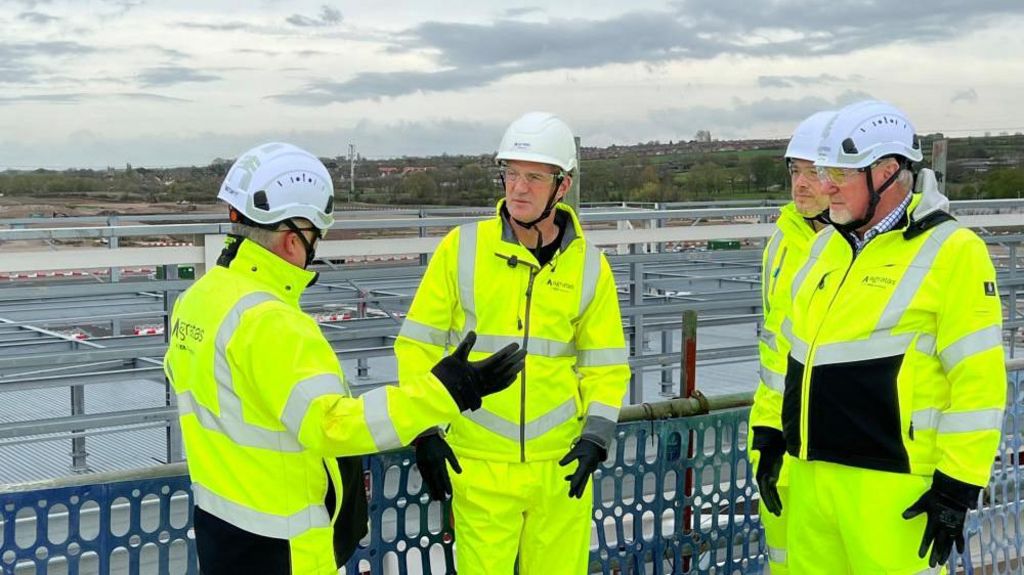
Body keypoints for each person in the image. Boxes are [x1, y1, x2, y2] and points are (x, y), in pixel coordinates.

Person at [162, 142, 526, 575]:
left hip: (221, 526)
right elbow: (334, 426)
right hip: (284, 544)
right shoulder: (271, 322)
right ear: (292, 238)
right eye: (316, 236)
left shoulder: (198, 300)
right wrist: (445, 392)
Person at [767, 101, 1005, 573]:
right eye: (821, 170)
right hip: (813, 478)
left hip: (894, 488)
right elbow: (789, 354)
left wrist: (957, 484)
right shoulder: (824, 248)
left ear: (888, 172)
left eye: (840, 172)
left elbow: (978, 381)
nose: (825, 185)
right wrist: (772, 433)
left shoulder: (952, 251)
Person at [394, 112, 631, 573]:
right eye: (511, 174)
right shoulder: (461, 249)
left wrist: (596, 440)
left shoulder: (589, 267)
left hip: (561, 468)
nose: (518, 188)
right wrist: (423, 430)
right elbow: (416, 348)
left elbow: (605, 366)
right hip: (479, 467)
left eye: (533, 177)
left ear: (562, 186)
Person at [749, 109, 835, 574]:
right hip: (778, 437)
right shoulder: (780, 243)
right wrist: (766, 432)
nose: (800, 184)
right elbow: (773, 351)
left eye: (814, 173)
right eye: (795, 172)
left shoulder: (856, 247)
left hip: (833, 447)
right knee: (784, 560)